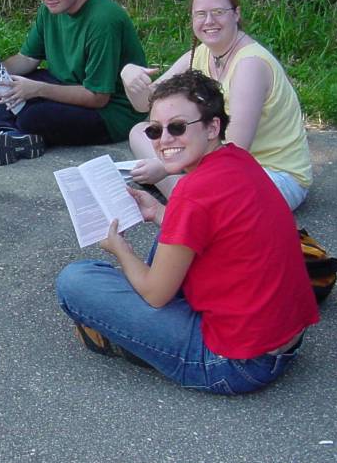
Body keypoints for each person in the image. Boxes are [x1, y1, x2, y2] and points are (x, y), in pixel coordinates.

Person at [56, 70, 319, 395]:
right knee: (161, 250)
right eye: (155, 130)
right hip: (284, 341)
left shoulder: (193, 191)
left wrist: (120, 248)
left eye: (177, 127)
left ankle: (144, 345)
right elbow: (218, 235)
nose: (164, 140)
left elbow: (155, 294)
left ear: (212, 127)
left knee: (76, 280)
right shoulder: (239, 159)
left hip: (235, 363)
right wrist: (158, 213)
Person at [121, 0, 311, 210]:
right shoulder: (201, 54)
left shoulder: (250, 64)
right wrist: (129, 78)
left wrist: (164, 167)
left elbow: (235, 149)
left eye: (218, 12)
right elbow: (146, 104)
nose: (209, 21)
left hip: (271, 174)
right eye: (200, 14)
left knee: (215, 194)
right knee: (140, 131)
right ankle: (187, 194)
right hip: (221, 163)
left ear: (236, 14)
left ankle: (184, 197)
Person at [0, 0, 148, 165]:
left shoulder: (104, 20)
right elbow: (28, 58)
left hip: (110, 112)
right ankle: (9, 135)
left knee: (34, 116)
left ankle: (21, 133)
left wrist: (38, 90)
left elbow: (98, 97)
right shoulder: (50, 10)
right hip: (66, 84)